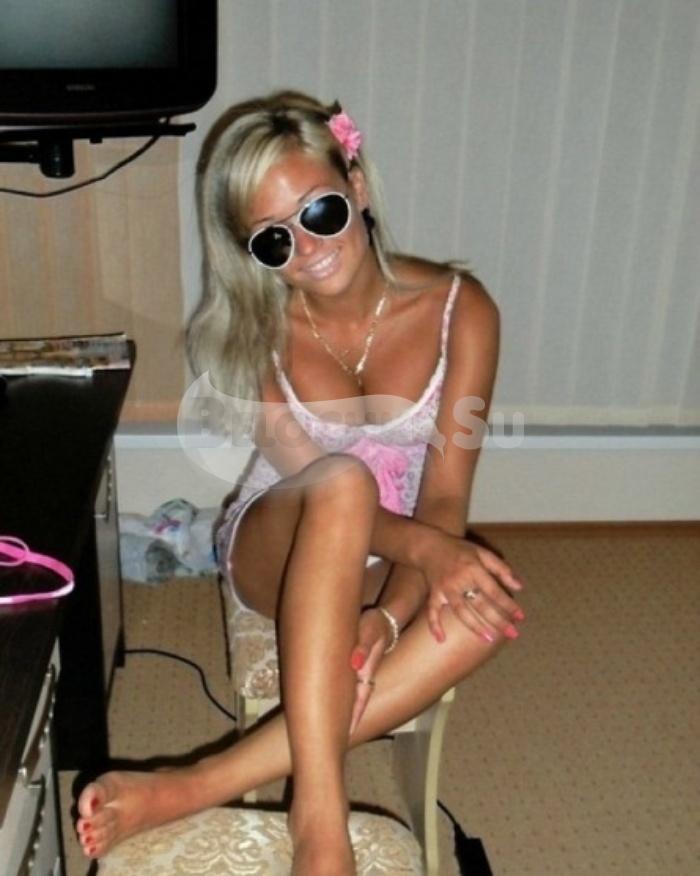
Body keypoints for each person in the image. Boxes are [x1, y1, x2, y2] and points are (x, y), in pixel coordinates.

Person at [75, 90, 525, 876]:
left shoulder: (464, 311)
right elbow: (319, 486)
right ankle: (321, 820)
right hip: (277, 540)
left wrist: (389, 619)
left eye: (319, 212)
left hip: (394, 548)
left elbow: (446, 498)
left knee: (483, 615)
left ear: (357, 185)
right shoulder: (255, 332)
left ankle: (197, 783)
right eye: (274, 239)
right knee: (342, 483)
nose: (307, 248)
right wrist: (429, 553)